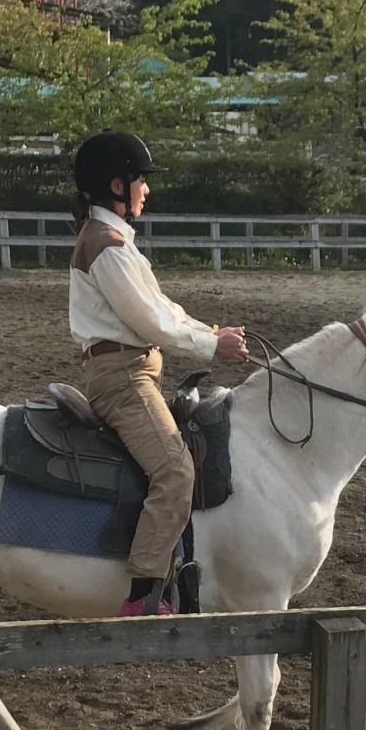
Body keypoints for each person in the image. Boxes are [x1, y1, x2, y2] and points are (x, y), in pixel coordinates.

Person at [68, 131, 249, 617]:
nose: (146, 189)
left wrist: (211, 331)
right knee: (175, 470)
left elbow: (163, 307)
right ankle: (143, 596)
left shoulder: (114, 241)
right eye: (141, 179)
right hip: (123, 381)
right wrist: (212, 345)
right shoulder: (106, 246)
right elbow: (151, 322)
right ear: (116, 185)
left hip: (133, 373)